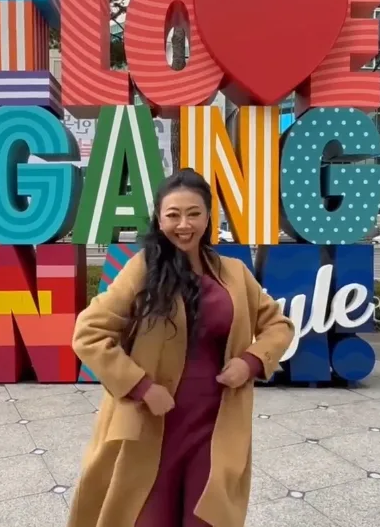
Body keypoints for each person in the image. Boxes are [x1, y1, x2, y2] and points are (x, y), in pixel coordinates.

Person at [68, 168, 294, 527]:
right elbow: (89, 333)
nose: (184, 225)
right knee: (146, 516)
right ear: (159, 220)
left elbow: (278, 326)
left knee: (208, 516)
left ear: (208, 217)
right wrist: (141, 386)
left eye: (193, 213)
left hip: (214, 424)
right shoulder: (142, 269)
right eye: (173, 215)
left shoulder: (235, 272)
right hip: (151, 422)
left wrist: (250, 362)